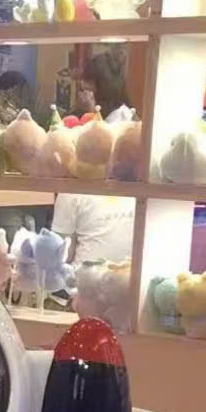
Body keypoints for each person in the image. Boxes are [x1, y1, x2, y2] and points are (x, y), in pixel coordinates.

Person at [50, 58, 134, 267]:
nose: (82, 89)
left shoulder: (72, 191)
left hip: (83, 279)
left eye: (87, 83)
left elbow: (59, 253)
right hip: (124, 274)